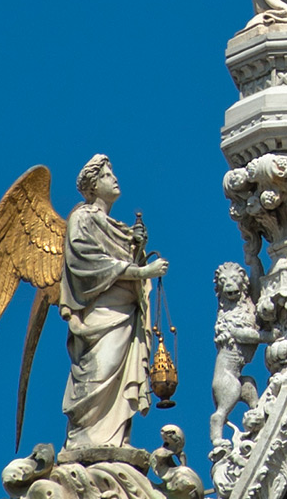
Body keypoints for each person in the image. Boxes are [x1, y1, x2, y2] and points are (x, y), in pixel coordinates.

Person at [60, 155, 168, 449]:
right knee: (99, 372)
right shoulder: (81, 219)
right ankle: (86, 440)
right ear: (93, 186)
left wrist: (138, 249)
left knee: (119, 380)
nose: (114, 178)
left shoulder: (117, 226)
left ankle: (115, 441)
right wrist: (141, 271)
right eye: (107, 175)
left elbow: (121, 265)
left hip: (124, 312)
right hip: (99, 315)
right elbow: (88, 263)